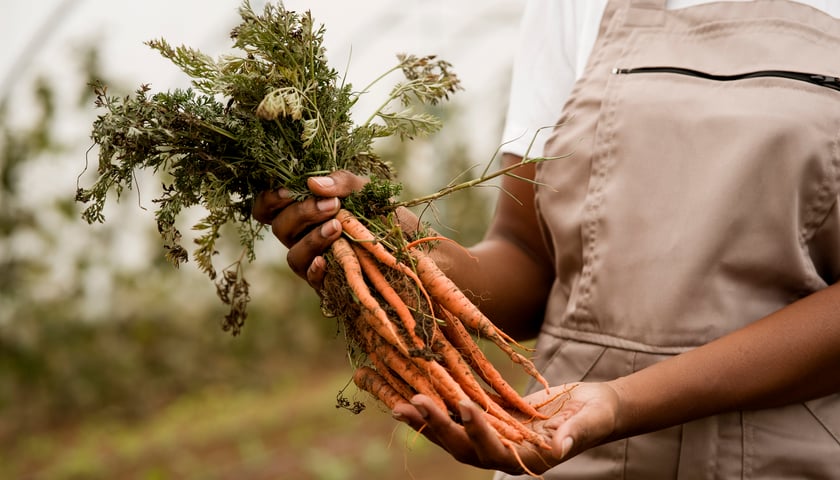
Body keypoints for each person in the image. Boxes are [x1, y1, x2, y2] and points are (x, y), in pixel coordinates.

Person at [253, 0, 840, 477]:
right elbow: (530, 258)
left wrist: (618, 403)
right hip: (563, 445)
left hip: (782, 459)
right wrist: (393, 245)